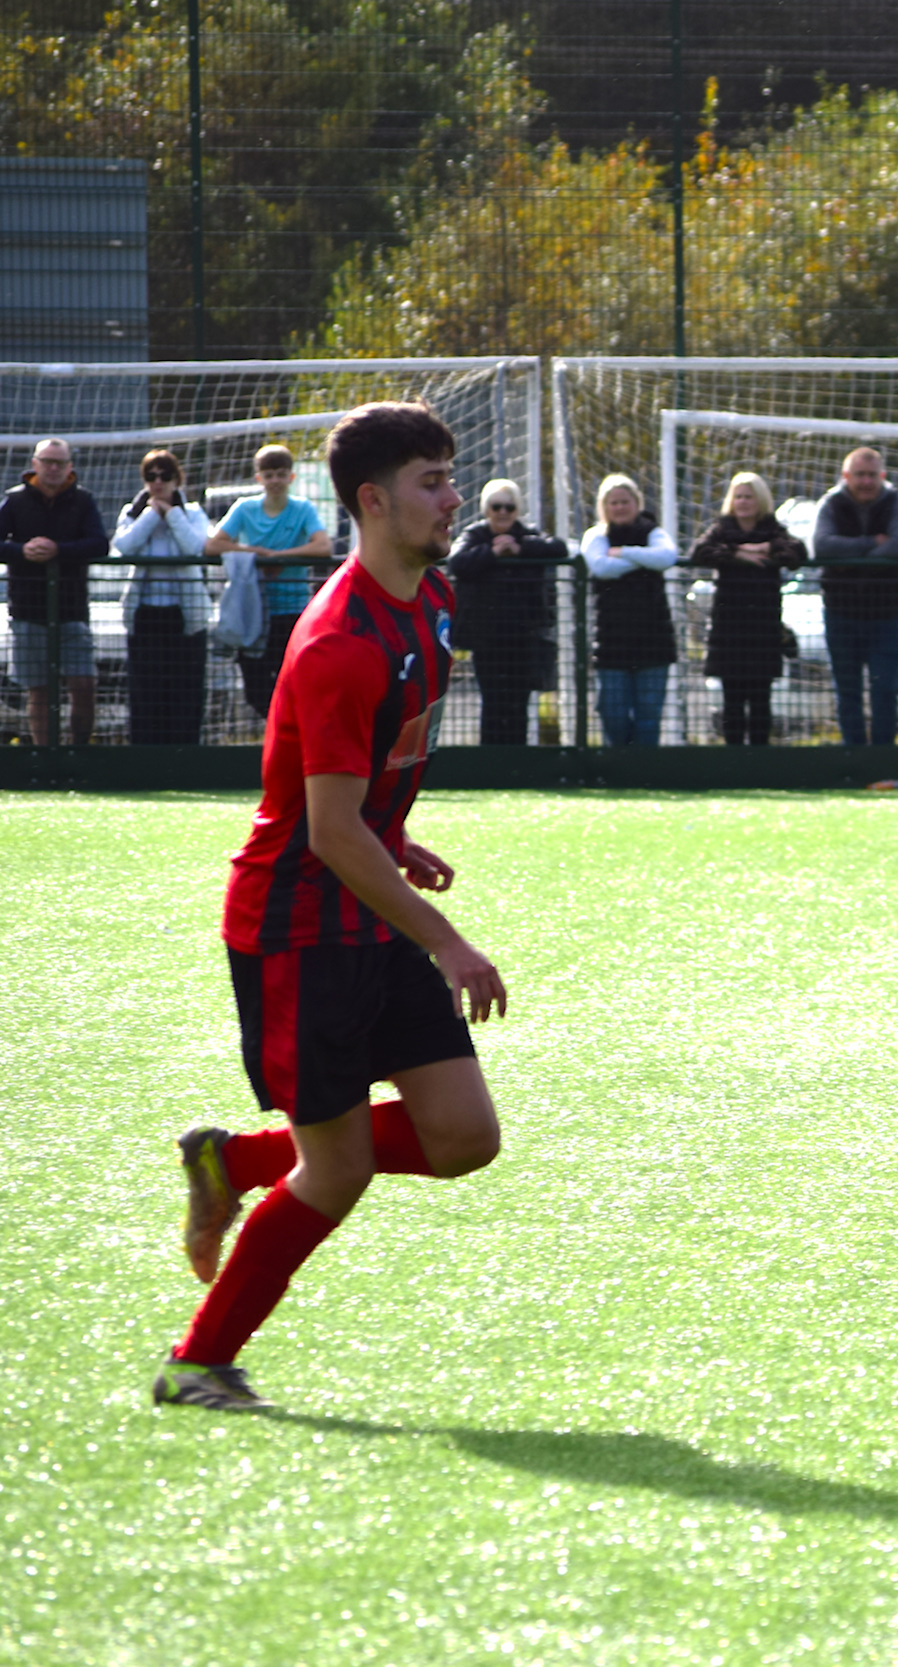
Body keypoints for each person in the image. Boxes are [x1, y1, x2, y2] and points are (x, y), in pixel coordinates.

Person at [156, 400, 508, 1413]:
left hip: (368, 896)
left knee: (463, 1138)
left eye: (449, 477)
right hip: (299, 927)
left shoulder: (430, 602)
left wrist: (394, 839)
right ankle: (196, 1362)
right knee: (340, 1167)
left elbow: (352, 802)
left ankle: (234, 1161)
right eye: (433, 481)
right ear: (372, 500)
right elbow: (326, 831)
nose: (450, 497)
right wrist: (446, 941)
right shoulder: (340, 641)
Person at [207, 444, 334, 722]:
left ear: (291, 477)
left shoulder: (302, 508)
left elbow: (323, 546)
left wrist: (280, 557)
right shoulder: (245, 507)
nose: (275, 480)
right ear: (259, 478)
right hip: (254, 613)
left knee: (295, 683)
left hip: (293, 611)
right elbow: (213, 545)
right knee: (257, 691)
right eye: (269, 474)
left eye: (280, 474)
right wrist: (258, 556)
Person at [0, 438, 108, 746]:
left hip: (72, 610)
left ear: (70, 467)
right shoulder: (15, 501)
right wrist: (22, 551)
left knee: (83, 684)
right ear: (34, 464)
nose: (53, 468)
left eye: (59, 463)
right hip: (28, 609)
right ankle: (44, 756)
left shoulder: (83, 501)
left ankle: (78, 753)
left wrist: (58, 550)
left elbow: (99, 543)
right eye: (47, 461)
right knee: (39, 690)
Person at [689, 471, 805, 746]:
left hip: (763, 630)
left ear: (761, 499)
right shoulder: (721, 529)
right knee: (732, 700)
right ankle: (734, 759)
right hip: (729, 631)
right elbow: (700, 552)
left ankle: (759, 759)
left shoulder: (773, 529)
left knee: (760, 699)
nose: (743, 502)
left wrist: (767, 546)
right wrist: (739, 552)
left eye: (749, 496)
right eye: (738, 496)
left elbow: (797, 553)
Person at [445, 479, 562, 745]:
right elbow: (458, 562)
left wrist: (520, 550)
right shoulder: (476, 536)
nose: (502, 513)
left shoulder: (526, 534)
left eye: (509, 507)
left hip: (524, 637)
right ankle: (491, 760)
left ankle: (517, 761)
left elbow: (558, 547)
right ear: (487, 509)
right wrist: (493, 552)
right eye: (496, 506)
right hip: (487, 639)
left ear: (517, 509)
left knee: (518, 703)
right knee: (493, 701)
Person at [114, 450, 216, 745]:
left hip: (185, 616)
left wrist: (172, 514)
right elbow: (125, 546)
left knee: (185, 687)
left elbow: (194, 547)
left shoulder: (193, 512)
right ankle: (146, 756)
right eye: (151, 476)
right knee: (146, 688)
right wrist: (150, 514)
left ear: (177, 478)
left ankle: (185, 755)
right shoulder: (132, 512)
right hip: (145, 615)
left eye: (165, 476)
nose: (158, 483)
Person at [812, 446, 898, 746]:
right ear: (846, 476)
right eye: (860, 475)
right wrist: (870, 543)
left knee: (885, 689)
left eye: (872, 475)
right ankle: (853, 756)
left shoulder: (895, 503)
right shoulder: (831, 503)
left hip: (884, 614)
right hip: (841, 612)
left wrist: (850, 555)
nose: (866, 482)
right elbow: (823, 546)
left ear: (882, 476)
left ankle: (883, 756)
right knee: (847, 690)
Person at [580, 473, 680, 747]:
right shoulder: (596, 536)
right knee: (612, 713)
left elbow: (666, 557)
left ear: (636, 503)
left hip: (654, 642)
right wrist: (643, 559)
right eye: (614, 502)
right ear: (604, 506)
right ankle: (616, 771)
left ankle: (644, 774)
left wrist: (624, 553)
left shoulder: (653, 532)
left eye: (625, 501)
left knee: (649, 716)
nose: (620, 507)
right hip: (611, 643)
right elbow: (601, 566)